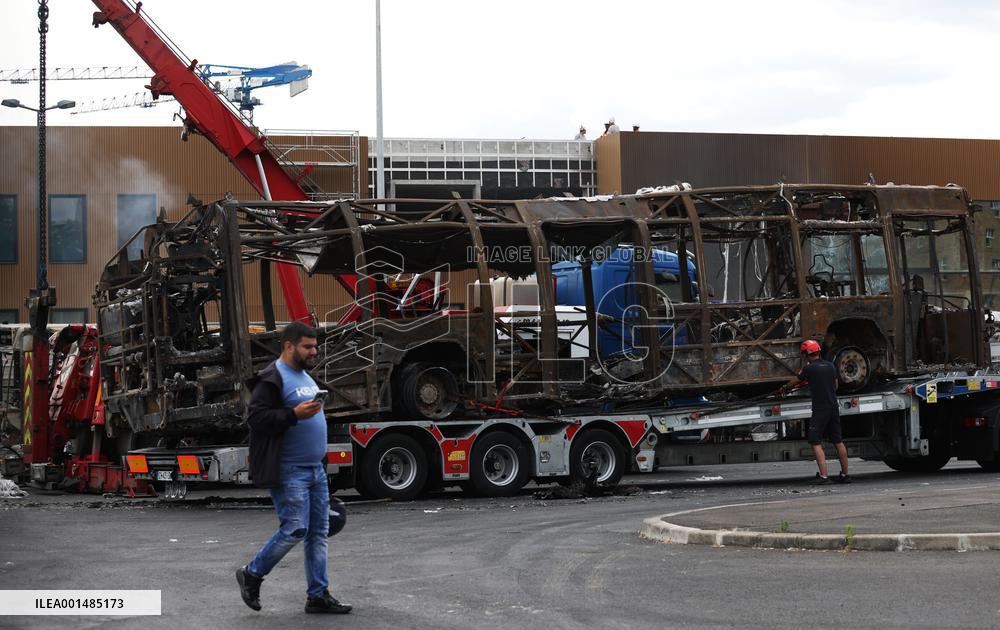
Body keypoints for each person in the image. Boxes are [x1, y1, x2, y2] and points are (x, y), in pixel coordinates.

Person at [236, 321, 352, 614]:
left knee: (318, 533)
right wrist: (293, 414)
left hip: (315, 471)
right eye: (308, 347)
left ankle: (318, 595)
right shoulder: (271, 378)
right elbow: (257, 419)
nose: (314, 351)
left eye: (315, 346)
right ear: (289, 346)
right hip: (290, 470)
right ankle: (252, 573)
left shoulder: (304, 376)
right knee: (295, 529)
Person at [785, 340, 851, 484]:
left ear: (806, 354)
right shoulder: (831, 366)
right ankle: (845, 475)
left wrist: (784, 388)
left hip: (820, 409)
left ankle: (824, 476)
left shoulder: (809, 369)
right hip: (833, 407)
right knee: (838, 441)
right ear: (818, 351)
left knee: (815, 441)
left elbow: (794, 382)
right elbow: (835, 385)